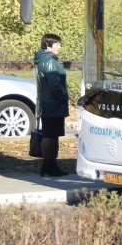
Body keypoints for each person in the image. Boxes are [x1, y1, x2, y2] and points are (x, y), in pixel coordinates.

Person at [33, 33, 69, 177]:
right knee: (50, 136)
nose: (59, 47)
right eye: (57, 44)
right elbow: (55, 84)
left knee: (51, 135)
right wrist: (64, 95)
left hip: (49, 104)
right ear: (48, 44)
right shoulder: (49, 61)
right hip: (52, 104)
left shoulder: (44, 59)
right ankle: (48, 166)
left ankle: (50, 166)